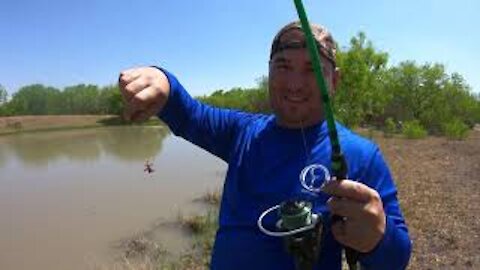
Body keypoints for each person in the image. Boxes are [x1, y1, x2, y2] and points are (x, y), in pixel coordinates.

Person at [118, 21, 411, 270]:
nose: (294, 83)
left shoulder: (361, 155)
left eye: (312, 69)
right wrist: (163, 81)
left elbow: (398, 258)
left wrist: (378, 239)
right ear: (269, 71)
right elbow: (190, 115)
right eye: (283, 66)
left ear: (334, 80)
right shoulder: (242, 132)